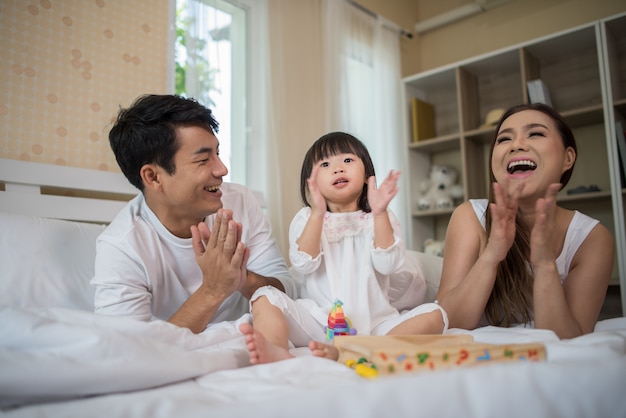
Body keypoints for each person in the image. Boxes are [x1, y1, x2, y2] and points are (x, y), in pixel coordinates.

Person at [91, 94, 297, 334]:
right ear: (153, 177)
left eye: (217, 153)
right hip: (177, 357)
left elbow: (289, 289)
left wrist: (243, 279)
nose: (222, 169)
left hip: (252, 340)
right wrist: (213, 289)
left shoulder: (240, 201)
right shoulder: (121, 246)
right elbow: (126, 349)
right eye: (202, 160)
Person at [239, 131, 447, 364]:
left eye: (348, 160)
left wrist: (379, 214)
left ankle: (357, 349)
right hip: (320, 323)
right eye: (326, 164)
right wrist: (318, 214)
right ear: (312, 182)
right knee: (264, 296)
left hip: (375, 324)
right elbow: (303, 263)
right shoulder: (306, 217)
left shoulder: (379, 216)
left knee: (435, 315)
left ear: (367, 173)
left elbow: (388, 264)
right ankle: (274, 347)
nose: (338, 168)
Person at [436, 103, 614, 339]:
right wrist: (492, 254)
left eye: (536, 133)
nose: (517, 145)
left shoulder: (592, 238)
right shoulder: (469, 217)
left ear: (567, 158)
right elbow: (447, 323)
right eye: (504, 139)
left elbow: (569, 341)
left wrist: (545, 264)